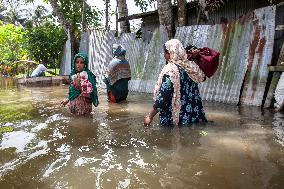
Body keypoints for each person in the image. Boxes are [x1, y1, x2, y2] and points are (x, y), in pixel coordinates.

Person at [144, 39, 207, 126]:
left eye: (165, 53)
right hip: (194, 116)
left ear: (170, 53)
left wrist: (150, 116)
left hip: (176, 120)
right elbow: (202, 78)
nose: (164, 55)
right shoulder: (190, 67)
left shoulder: (171, 71)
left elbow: (163, 97)